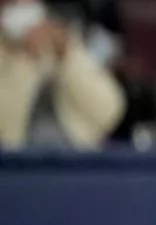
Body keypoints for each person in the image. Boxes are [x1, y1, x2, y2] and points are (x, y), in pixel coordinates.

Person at [0, 0, 125, 149]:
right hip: (12, 165)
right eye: (12, 3)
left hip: (72, 161)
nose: (19, 5)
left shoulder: (63, 41)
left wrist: (66, 56)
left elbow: (109, 112)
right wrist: (20, 58)